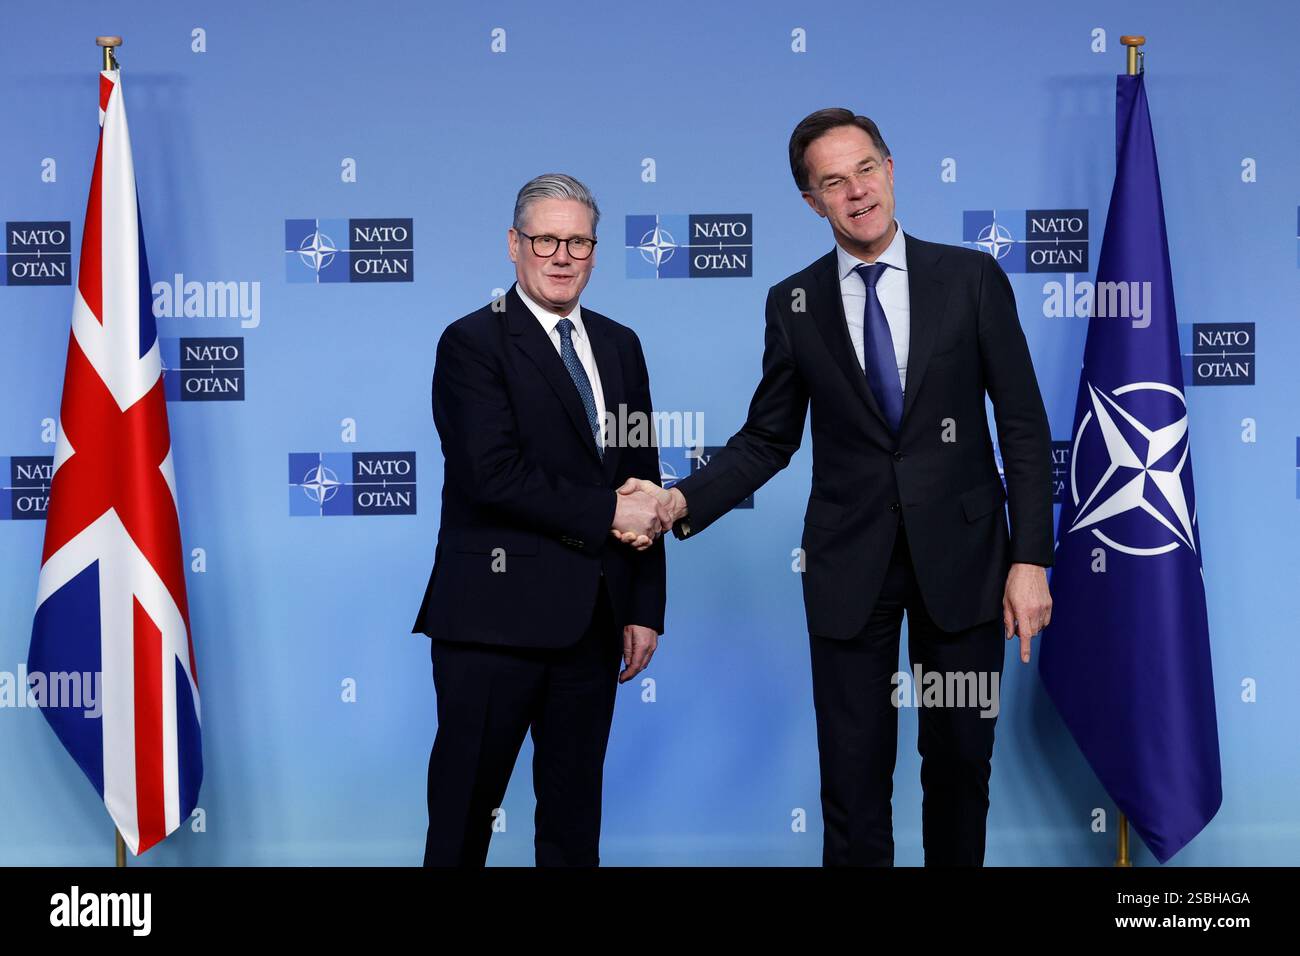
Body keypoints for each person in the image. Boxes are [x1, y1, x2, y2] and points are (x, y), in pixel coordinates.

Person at [619, 109, 1054, 866]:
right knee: (852, 780)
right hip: (851, 567)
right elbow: (768, 438)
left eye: (866, 170)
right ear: (811, 202)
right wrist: (676, 500)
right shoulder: (794, 303)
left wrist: (1030, 559)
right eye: (833, 182)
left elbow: (1022, 425)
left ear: (891, 169)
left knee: (959, 764)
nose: (857, 192)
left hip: (967, 559)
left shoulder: (972, 278)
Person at [412, 173, 668, 866]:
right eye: (545, 239)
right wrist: (610, 509)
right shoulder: (472, 342)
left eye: (577, 240)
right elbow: (489, 475)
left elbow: (642, 477)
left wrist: (644, 603)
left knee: (573, 822)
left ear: (594, 250)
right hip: (491, 624)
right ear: (513, 245)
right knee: (463, 815)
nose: (561, 255)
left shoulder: (621, 345)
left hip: (593, 620)